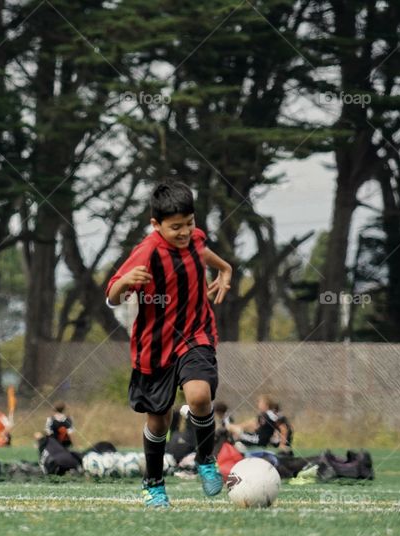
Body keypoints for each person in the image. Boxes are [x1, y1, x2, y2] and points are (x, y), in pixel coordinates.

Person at [106, 179, 233, 509]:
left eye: (188, 224)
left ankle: (205, 458)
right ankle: (153, 483)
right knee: (159, 421)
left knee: (200, 396)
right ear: (155, 225)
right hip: (155, 346)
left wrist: (225, 269)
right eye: (175, 227)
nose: (184, 232)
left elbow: (203, 251)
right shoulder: (146, 253)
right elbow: (111, 294)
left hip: (195, 333)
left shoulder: (195, 238)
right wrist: (124, 282)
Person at [228, 395, 293, 453]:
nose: (258, 404)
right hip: (261, 439)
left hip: (261, 440)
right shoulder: (264, 415)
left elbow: (283, 428)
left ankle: (242, 457)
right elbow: (253, 424)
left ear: (266, 404)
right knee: (237, 435)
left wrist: (282, 444)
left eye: (260, 402)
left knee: (237, 439)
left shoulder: (270, 414)